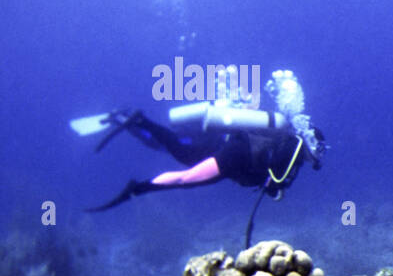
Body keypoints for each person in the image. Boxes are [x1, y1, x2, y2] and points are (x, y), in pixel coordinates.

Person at [86, 69, 324, 211]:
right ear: (312, 142)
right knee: (186, 179)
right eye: (319, 150)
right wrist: (278, 190)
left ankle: (140, 121)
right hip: (234, 158)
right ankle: (137, 189)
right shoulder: (296, 146)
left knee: (181, 152)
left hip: (233, 146)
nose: (317, 156)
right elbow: (275, 180)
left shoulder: (290, 141)